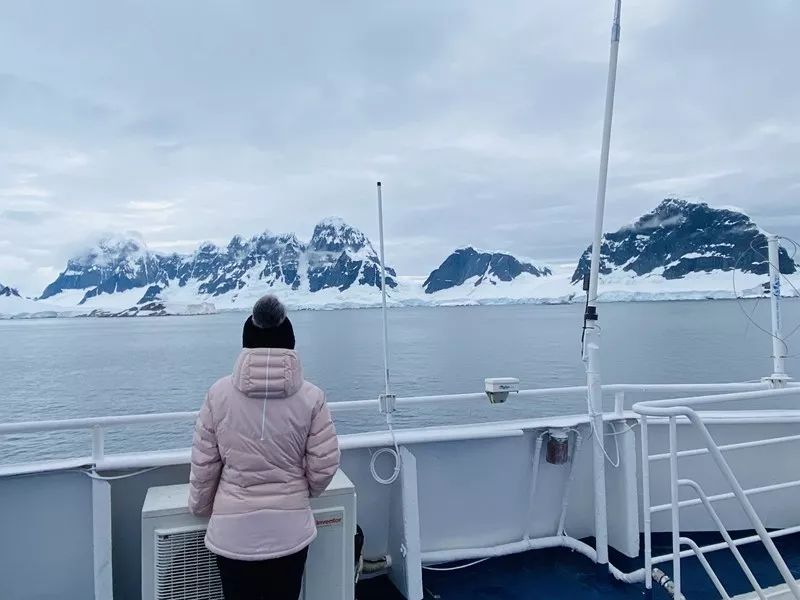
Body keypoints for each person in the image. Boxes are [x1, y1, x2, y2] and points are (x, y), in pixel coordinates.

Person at [189, 295, 340, 600]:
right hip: (290, 532)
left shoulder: (217, 395)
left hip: (232, 534)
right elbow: (324, 463)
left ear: (246, 341)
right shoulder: (312, 397)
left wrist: (200, 507)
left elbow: (204, 463)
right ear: (290, 342)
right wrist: (300, 491)